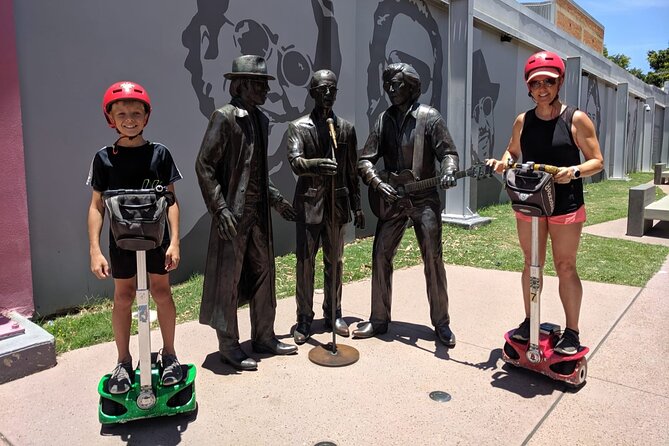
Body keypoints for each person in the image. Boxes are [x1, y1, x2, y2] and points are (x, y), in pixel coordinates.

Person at [486, 50, 604, 355]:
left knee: (565, 266)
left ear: (559, 82)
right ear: (528, 86)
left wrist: (574, 171)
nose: (542, 88)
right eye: (536, 83)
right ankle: (530, 321)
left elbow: (597, 161)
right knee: (531, 264)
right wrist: (503, 162)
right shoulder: (523, 121)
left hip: (565, 204)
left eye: (548, 82)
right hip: (532, 203)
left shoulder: (576, 119)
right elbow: (513, 152)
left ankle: (572, 332)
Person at [195, 55, 298, 371]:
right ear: (240, 85)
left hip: (258, 213)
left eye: (265, 84)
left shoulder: (261, 120)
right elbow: (204, 165)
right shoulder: (224, 118)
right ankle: (228, 345)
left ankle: (264, 336)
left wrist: (277, 199)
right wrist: (219, 207)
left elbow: (255, 171)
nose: (265, 90)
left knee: (265, 272)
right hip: (233, 215)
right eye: (259, 84)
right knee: (230, 277)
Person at [87, 81, 183, 394]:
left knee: (161, 292)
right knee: (123, 297)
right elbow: (96, 207)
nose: (130, 118)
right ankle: (124, 361)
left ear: (146, 116)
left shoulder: (160, 154)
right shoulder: (104, 159)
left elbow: (171, 201)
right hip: (121, 244)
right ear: (110, 119)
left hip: (156, 242)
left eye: (136, 113)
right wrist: (94, 250)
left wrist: (175, 241)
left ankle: (169, 355)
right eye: (122, 113)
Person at [355, 63, 459, 348]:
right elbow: (365, 160)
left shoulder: (430, 118)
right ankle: (378, 319)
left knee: (433, 259)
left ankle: (441, 323)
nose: (390, 89)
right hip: (392, 200)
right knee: (380, 255)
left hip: (424, 199)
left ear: (412, 86)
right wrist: (378, 184)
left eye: (396, 84)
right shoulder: (383, 120)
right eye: (387, 84)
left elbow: (448, 153)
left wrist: (449, 170)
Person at [286, 69, 365, 344]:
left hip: (337, 206)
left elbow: (352, 171)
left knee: (336, 262)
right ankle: (304, 318)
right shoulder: (298, 127)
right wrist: (316, 165)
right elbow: (295, 161)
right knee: (305, 264)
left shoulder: (345, 129)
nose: (328, 94)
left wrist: (357, 207)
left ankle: (334, 312)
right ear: (312, 93)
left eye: (332, 89)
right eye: (322, 90)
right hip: (309, 205)